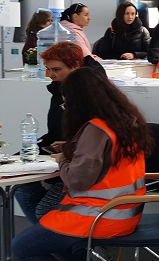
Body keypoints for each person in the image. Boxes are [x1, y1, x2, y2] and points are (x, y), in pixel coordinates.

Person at [12, 67, 154, 261]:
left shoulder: (96, 130)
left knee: (23, 247)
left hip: (98, 216)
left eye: (66, 101)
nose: (65, 106)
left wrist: (63, 159)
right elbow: (104, 164)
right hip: (124, 212)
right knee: (49, 229)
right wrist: (74, 149)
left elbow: (77, 180)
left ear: (79, 101)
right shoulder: (124, 121)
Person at [13, 42, 106, 225]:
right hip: (67, 156)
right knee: (22, 188)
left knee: (44, 211)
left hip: (81, 169)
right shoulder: (59, 91)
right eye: (48, 69)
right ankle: (49, 235)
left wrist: (67, 150)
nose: (51, 75)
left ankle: (52, 236)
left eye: (56, 69)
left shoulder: (90, 98)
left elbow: (91, 145)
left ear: (76, 67)